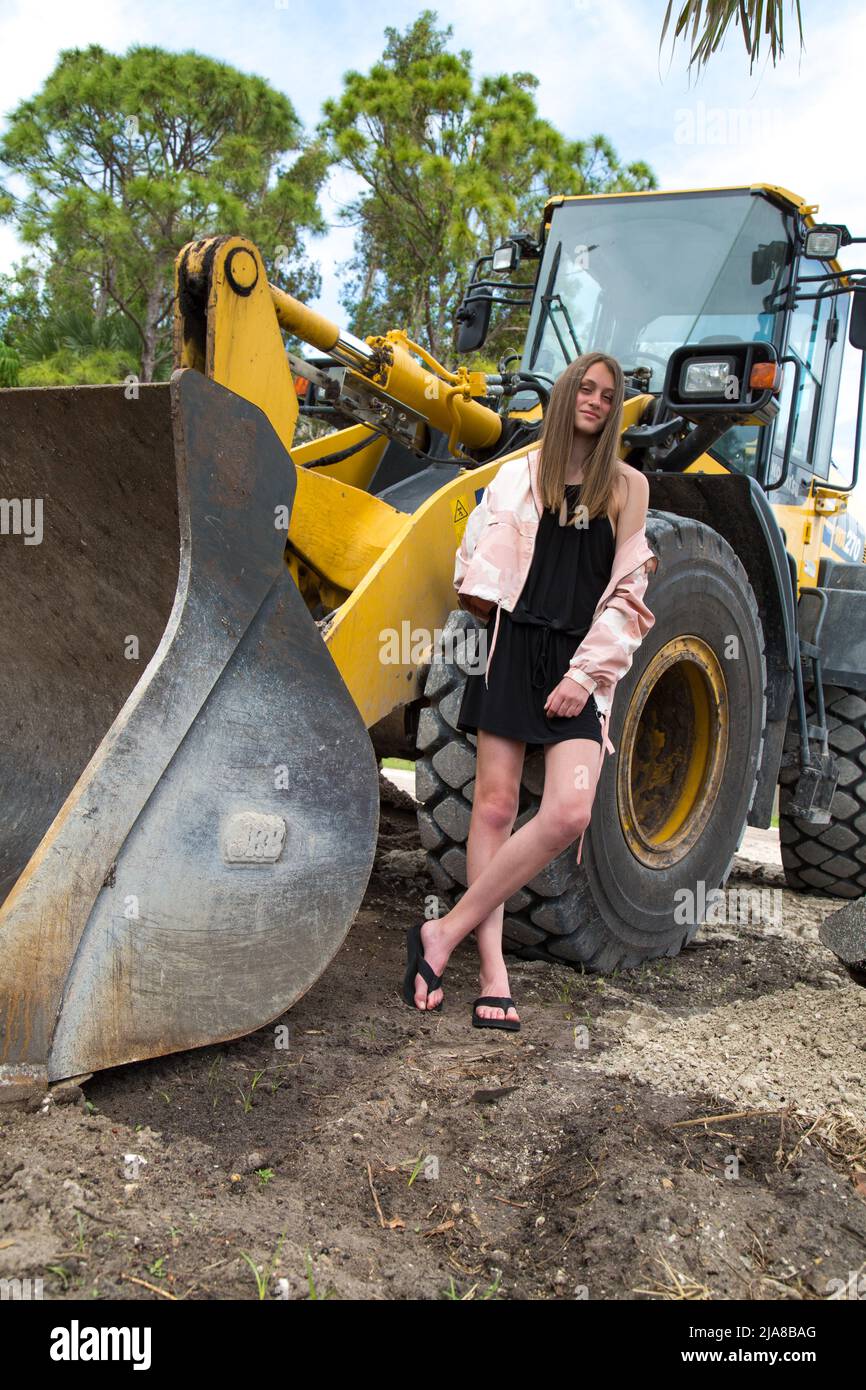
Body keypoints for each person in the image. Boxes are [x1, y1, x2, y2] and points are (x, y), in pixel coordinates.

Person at [401, 351, 656, 1028]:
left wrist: (583, 675)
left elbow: (630, 596)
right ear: (567, 392)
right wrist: (479, 586)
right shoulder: (518, 476)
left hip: (579, 657)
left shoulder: (628, 487)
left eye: (610, 394)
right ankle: (492, 972)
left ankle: (443, 933)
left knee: (569, 812)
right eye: (588, 388)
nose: (598, 401)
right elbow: (473, 552)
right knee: (493, 809)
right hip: (513, 649)